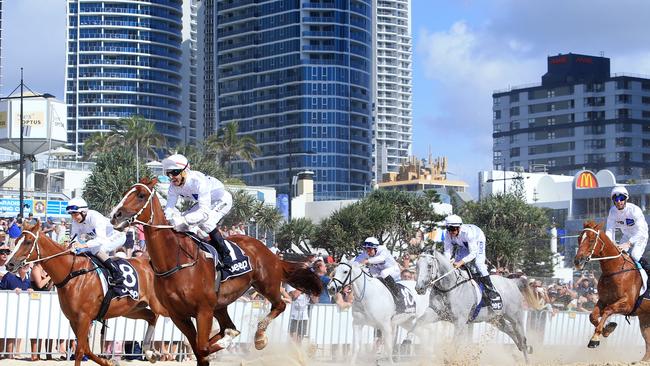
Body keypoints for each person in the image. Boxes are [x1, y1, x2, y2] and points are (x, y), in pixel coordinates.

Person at [162, 154, 234, 269]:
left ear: (185, 171)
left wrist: (184, 220)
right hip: (207, 201)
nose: (171, 177)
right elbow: (169, 209)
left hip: (221, 200)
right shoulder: (173, 186)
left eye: (174, 172)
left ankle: (226, 255)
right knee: (184, 221)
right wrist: (165, 221)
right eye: (168, 174)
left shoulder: (198, 182)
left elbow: (204, 213)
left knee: (205, 222)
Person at [443, 214, 502, 311]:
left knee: (479, 264)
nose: (451, 232)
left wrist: (461, 262)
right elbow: (447, 250)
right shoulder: (448, 234)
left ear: (459, 227)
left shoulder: (468, 233)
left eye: (453, 229)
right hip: (464, 245)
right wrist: (448, 262)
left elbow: (473, 253)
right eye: (449, 229)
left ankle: (491, 290)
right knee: (456, 264)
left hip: (478, 240)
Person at [66, 197, 126, 286]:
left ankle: (117, 274)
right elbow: (74, 238)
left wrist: (84, 245)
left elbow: (101, 239)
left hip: (117, 236)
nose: (74, 217)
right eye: (71, 215)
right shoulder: (76, 222)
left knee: (96, 249)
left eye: (75, 214)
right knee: (84, 251)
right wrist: (71, 244)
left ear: (83, 212)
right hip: (103, 239)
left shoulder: (94, 216)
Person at [606, 186, 649, 271]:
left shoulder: (635, 210)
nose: (619, 201)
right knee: (617, 254)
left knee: (635, 255)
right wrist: (612, 243)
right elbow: (609, 230)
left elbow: (641, 231)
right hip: (626, 236)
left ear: (626, 199)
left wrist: (628, 243)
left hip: (640, 236)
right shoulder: (612, 212)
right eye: (616, 199)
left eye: (621, 198)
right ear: (613, 201)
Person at [357, 237, 404, 309]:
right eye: (366, 249)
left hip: (393, 270)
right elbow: (356, 261)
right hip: (380, 273)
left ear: (375, 248)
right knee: (371, 276)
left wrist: (367, 261)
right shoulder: (367, 254)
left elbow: (381, 258)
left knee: (383, 273)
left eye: (369, 249)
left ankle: (398, 296)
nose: (367, 251)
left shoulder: (382, 250)